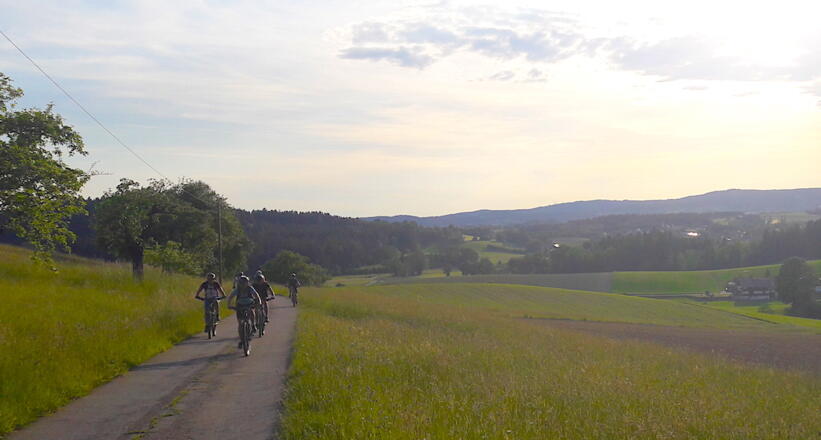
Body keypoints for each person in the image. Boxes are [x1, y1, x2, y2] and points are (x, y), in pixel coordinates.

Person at [227, 275, 262, 347]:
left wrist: (259, 303)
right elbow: (231, 297)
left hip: (249, 304)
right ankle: (242, 339)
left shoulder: (250, 288)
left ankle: (253, 325)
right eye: (241, 282)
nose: (243, 284)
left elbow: (256, 296)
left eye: (245, 282)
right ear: (239, 283)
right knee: (240, 323)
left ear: (247, 283)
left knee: (251, 311)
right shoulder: (237, 289)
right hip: (240, 305)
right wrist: (229, 305)